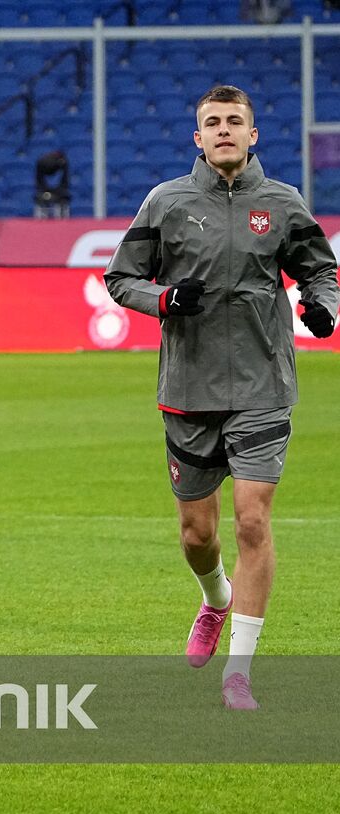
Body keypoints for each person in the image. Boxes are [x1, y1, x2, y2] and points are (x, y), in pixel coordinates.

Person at [105, 85, 337, 710]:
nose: (225, 130)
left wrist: (324, 306)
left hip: (264, 385)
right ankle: (215, 598)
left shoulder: (283, 204)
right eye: (214, 122)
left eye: (236, 121)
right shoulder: (167, 203)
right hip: (188, 389)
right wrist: (163, 299)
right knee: (196, 534)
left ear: (253, 134)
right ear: (198, 137)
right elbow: (120, 278)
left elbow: (321, 269)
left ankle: (240, 671)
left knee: (254, 520)